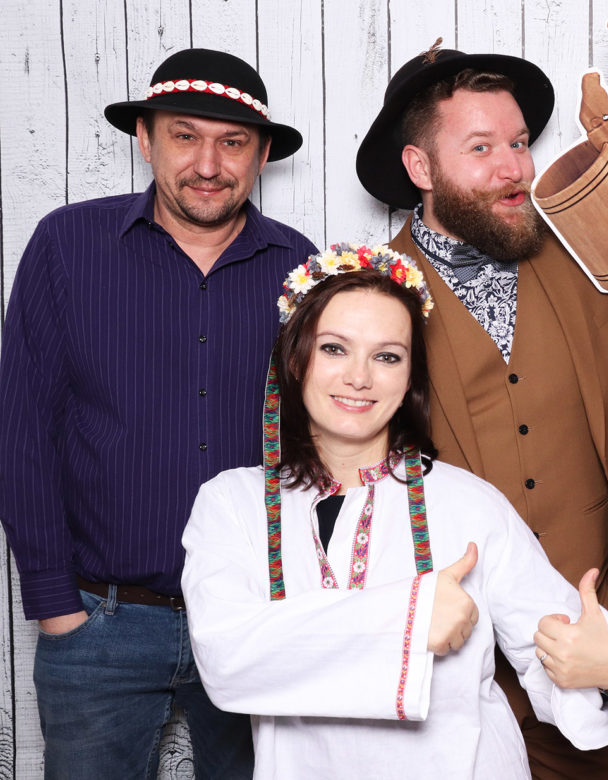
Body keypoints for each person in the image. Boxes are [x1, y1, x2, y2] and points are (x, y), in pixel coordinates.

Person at [354, 41, 608, 777]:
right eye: (482, 148)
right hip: (453, 678)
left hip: (597, 648)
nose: (514, 167)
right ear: (420, 168)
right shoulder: (367, 297)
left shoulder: (586, 242)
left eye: (518, 143)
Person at [181, 246, 608, 779]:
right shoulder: (231, 505)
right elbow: (226, 660)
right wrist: (412, 617)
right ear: (295, 360)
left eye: (387, 357)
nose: (359, 377)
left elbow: (566, 650)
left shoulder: (469, 503)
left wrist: (605, 669)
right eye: (334, 348)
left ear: (408, 380)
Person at [0, 48, 316, 777]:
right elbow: (22, 432)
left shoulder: (300, 267)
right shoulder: (66, 246)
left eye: (232, 142)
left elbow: (320, 437)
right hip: (99, 624)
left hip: (255, 619)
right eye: (184, 136)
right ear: (145, 139)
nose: (208, 164)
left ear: (263, 154)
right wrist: (57, 607)